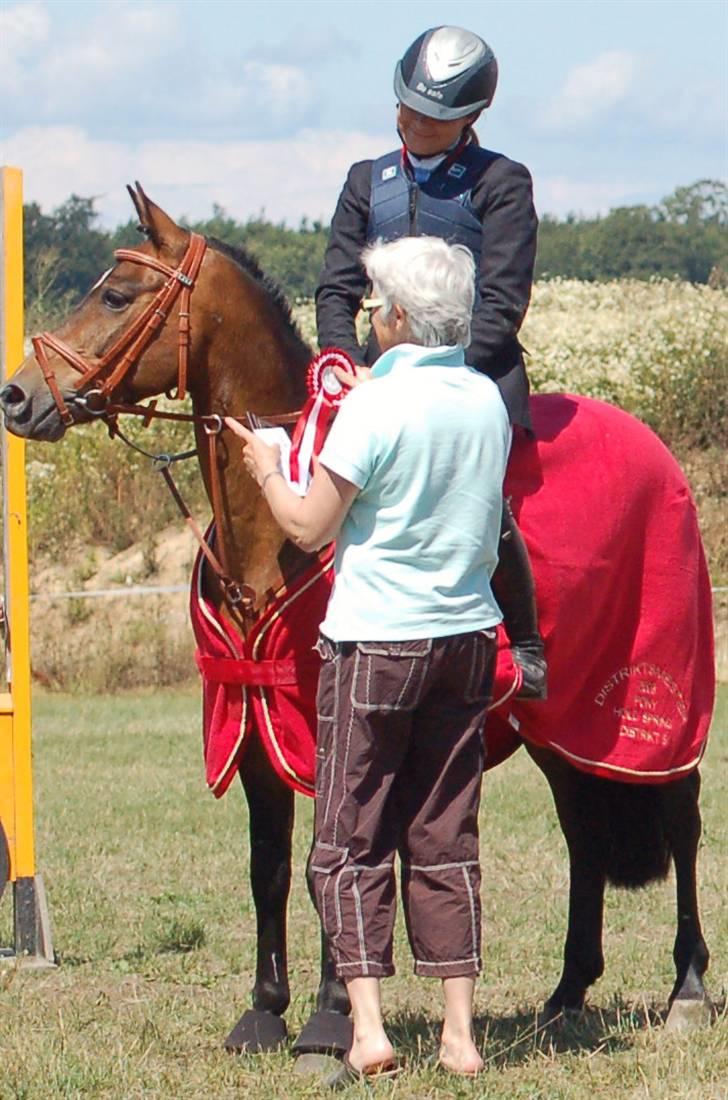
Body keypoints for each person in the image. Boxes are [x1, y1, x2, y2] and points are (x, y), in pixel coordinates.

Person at [226, 236, 511, 1082]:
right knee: (444, 833)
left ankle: (370, 1028)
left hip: (376, 639)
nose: (364, 315)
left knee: (348, 839)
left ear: (397, 317)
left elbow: (309, 525)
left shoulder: (377, 408)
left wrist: (271, 466)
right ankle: (460, 1033)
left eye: (374, 303)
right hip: (466, 638)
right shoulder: (485, 401)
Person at [316, 25, 547, 698]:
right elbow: (337, 288)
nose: (410, 122)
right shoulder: (366, 180)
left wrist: (432, 381)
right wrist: (339, 364)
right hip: (371, 378)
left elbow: (501, 305)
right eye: (405, 106)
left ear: (471, 117)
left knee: (489, 508)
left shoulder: (502, 183)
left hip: (473, 379)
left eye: (431, 116)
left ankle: (527, 645)